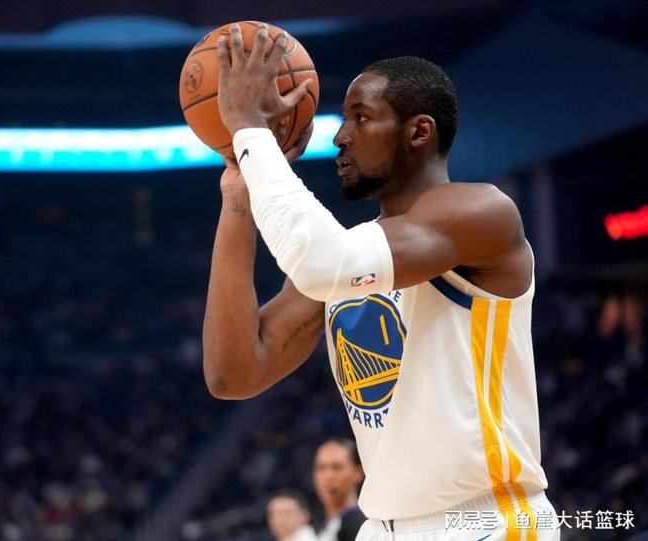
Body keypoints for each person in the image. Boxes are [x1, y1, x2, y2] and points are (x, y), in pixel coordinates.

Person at [204, 22, 560, 540]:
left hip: (483, 521)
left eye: (361, 117)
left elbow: (324, 261)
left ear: (419, 132)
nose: (339, 136)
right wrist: (239, 190)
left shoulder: (481, 213)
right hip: (385, 527)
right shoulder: (352, 256)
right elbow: (234, 374)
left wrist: (251, 131)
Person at [313, 439, 366, 541]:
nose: (328, 476)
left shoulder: (363, 526)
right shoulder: (314, 528)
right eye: (321, 468)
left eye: (337, 467)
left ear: (358, 473)